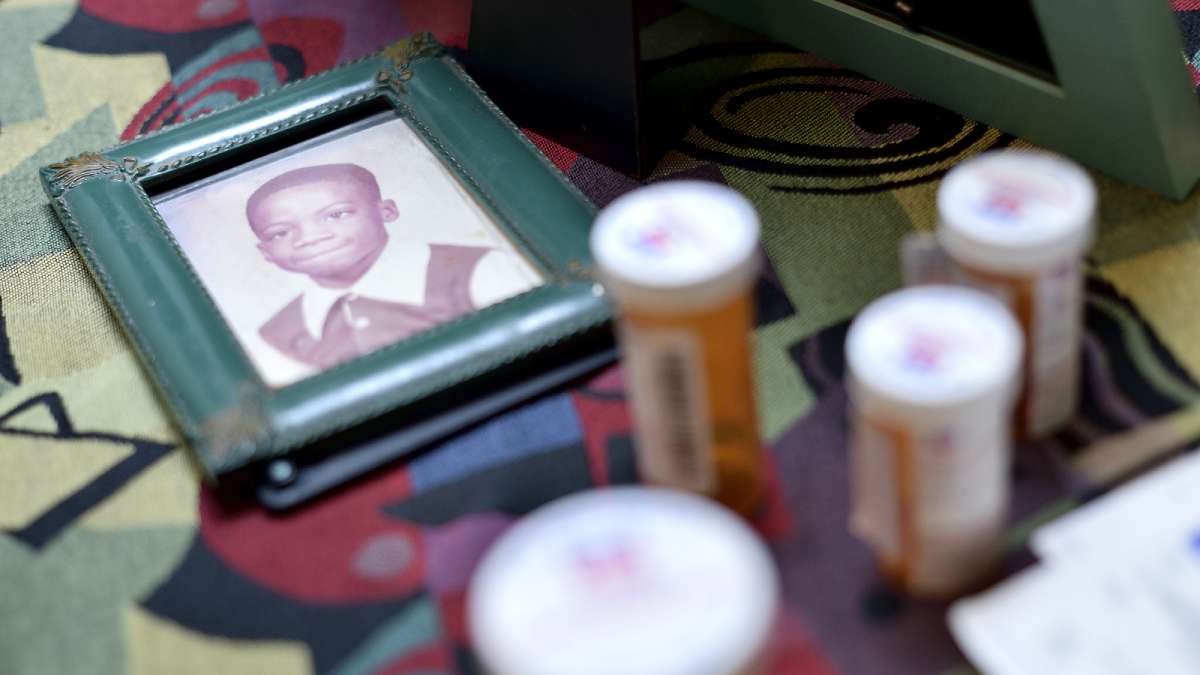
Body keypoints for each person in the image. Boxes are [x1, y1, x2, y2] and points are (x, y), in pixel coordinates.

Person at [246, 162, 524, 370]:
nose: (310, 238)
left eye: (336, 215)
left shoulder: (477, 269)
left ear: (386, 212)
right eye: (280, 233)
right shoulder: (276, 334)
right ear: (265, 252)